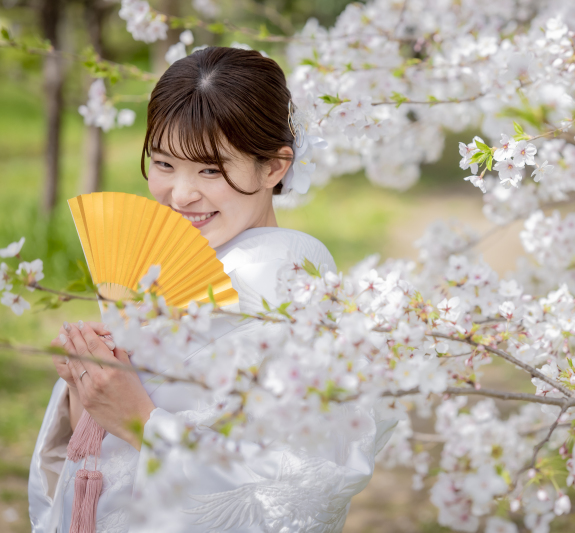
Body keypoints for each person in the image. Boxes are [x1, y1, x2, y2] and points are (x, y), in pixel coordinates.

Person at [28, 46, 396, 533]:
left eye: (209, 170)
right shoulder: (151, 272)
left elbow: (306, 487)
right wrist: (86, 385)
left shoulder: (296, 287)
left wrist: (144, 422)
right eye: (163, 164)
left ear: (273, 167)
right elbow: (100, 459)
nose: (180, 196)